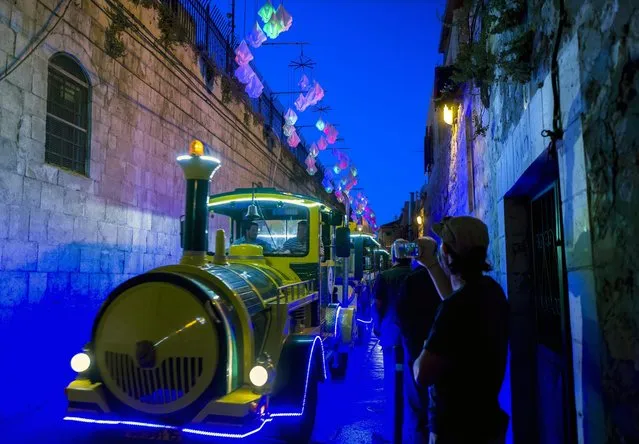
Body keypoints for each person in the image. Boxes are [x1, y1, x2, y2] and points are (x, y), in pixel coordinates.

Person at [412, 216, 510, 444]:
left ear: (446, 252)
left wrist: (421, 354)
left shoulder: (455, 309)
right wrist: (432, 266)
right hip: (487, 423)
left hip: (454, 430)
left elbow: (422, 374)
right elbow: (457, 299)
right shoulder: (492, 292)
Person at [397, 237, 447, 444]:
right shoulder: (445, 278)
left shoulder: (412, 280)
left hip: (417, 348)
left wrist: (411, 342)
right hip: (441, 349)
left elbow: (402, 314)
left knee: (417, 404)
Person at [372, 238, 414, 443]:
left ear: (394, 256)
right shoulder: (417, 275)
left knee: (392, 383)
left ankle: (393, 432)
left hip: (390, 335)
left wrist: (377, 327)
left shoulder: (384, 277)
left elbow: (378, 305)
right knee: (412, 387)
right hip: (413, 337)